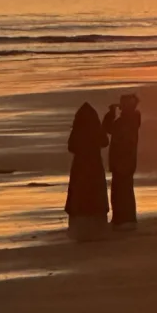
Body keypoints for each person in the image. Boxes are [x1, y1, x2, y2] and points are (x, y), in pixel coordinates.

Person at [65, 101, 109, 239]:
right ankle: (96, 223)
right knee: (95, 192)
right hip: (94, 164)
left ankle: (81, 224)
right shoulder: (95, 129)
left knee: (80, 192)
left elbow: (71, 147)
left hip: (80, 165)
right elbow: (105, 142)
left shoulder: (78, 129)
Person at [103, 93, 142, 230]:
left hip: (121, 161)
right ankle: (126, 218)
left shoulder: (125, 122)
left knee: (120, 192)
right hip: (127, 161)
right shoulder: (132, 120)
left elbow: (108, 129)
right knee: (125, 191)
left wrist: (110, 114)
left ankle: (122, 219)